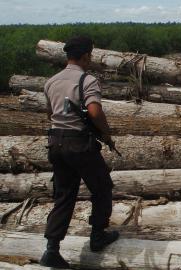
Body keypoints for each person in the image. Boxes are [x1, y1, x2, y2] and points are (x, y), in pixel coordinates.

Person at [39, 36, 119, 268]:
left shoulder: (50, 82)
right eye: (90, 56)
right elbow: (94, 111)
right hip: (79, 144)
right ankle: (97, 236)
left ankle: (52, 249)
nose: (90, 60)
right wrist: (106, 134)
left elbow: (50, 114)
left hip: (56, 143)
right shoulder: (87, 80)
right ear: (85, 56)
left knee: (64, 196)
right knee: (102, 187)